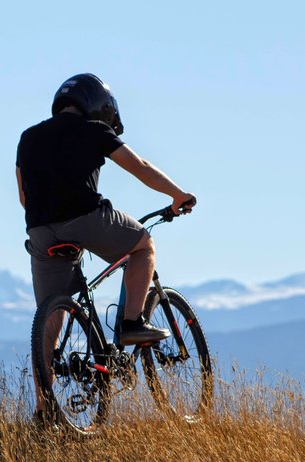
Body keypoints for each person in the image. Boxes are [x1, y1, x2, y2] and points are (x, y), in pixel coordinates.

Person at [15, 73, 196, 417]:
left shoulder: (28, 138)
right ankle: (130, 325)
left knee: (50, 317)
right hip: (86, 219)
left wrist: (54, 225)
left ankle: (44, 410)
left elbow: (25, 196)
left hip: (39, 231)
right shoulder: (95, 131)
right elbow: (140, 167)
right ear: (97, 106)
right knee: (143, 246)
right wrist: (177, 195)